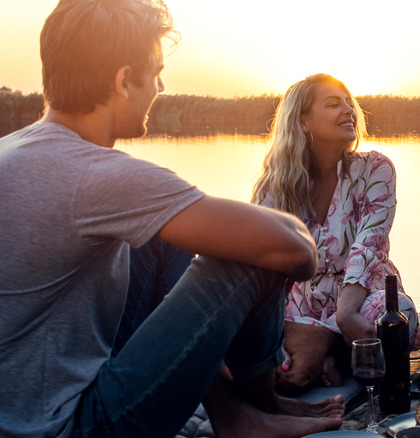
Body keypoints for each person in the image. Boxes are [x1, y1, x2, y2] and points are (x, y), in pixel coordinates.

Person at [0, 1, 346, 437]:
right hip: (70, 426)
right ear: (124, 80)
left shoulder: (16, 150)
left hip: (25, 407)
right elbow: (293, 249)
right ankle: (258, 405)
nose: (161, 86)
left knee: (165, 237)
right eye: (157, 72)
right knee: (254, 253)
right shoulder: (95, 174)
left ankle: (231, 411)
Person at [251, 73, 420, 393]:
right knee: (261, 326)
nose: (349, 110)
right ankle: (336, 353)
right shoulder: (275, 185)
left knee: (401, 315)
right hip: (301, 305)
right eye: (333, 104)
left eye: (349, 102)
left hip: (360, 295)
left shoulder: (376, 168)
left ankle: (326, 354)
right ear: (303, 122)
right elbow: (262, 256)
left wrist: (345, 314)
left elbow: (370, 244)